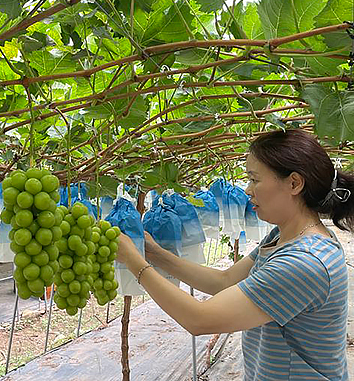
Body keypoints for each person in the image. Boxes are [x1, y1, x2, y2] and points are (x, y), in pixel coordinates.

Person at [117, 129, 352, 380]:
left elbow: (200, 319)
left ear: (294, 183)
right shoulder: (282, 236)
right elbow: (225, 281)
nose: (248, 190)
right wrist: (154, 253)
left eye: (254, 179)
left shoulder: (305, 262)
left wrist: (134, 261)